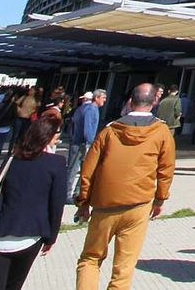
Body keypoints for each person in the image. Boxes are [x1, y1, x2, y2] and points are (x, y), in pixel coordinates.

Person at [73, 82, 175, 290]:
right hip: (138, 204)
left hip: (104, 204)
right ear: (155, 101)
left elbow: (88, 170)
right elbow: (166, 170)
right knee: (124, 267)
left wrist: (83, 202)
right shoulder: (161, 131)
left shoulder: (109, 131)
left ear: (130, 101)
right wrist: (160, 199)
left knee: (90, 259)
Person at [0, 113, 67, 290]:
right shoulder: (56, 163)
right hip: (30, 235)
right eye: (57, 132)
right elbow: (56, 204)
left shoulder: (12, 158)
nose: (59, 136)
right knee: (14, 285)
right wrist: (51, 237)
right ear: (48, 136)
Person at [67, 91, 104, 205]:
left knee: (84, 168)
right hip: (82, 143)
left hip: (78, 142)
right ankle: (68, 194)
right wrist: (91, 142)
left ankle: (78, 192)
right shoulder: (90, 109)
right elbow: (88, 128)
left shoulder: (85, 108)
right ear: (96, 98)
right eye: (103, 98)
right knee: (75, 168)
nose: (104, 100)